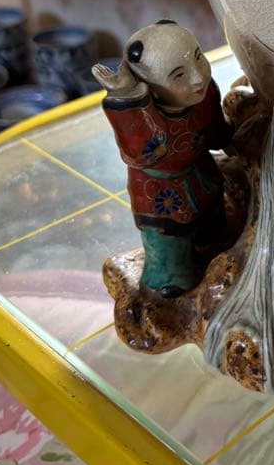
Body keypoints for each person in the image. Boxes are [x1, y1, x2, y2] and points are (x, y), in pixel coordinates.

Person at [93, 20, 234, 298]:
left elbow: (216, 131)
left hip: (202, 175)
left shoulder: (203, 95)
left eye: (198, 58)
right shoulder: (145, 116)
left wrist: (230, 138)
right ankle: (170, 276)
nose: (198, 77)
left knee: (216, 230)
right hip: (160, 192)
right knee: (170, 244)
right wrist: (126, 96)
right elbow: (139, 150)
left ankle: (213, 245)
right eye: (179, 75)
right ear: (150, 88)